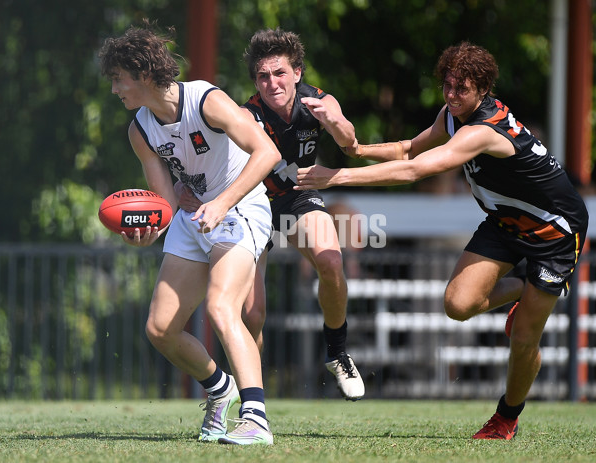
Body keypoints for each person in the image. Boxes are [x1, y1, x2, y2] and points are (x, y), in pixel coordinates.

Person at [295, 41, 588, 439]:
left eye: (461, 88)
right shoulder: (452, 115)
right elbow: (409, 149)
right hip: (505, 222)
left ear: (483, 89)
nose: (451, 95)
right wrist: (359, 150)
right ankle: (525, 288)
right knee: (457, 304)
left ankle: (506, 418)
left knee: (523, 341)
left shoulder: (483, 131)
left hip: (554, 231)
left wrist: (338, 176)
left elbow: (415, 171)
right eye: (447, 85)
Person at [99, 20, 282, 445]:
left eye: (118, 79)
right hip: (196, 217)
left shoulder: (206, 99)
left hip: (239, 205)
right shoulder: (140, 130)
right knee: (160, 329)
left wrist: (221, 203)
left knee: (221, 308)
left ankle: (255, 418)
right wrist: (146, 230)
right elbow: (163, 206)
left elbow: (267, 153)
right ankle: (221, 389)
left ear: (142, 73)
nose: (114, 89)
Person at [179, 27, 365, 401]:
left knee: (331, 261)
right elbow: (211, 156)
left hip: (297, 199)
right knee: (252, 312)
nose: (272, 82)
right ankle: (251, 397)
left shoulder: (319, 101)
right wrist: (190, 187)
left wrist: (335, 121)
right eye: (263, 76)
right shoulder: (247, 115)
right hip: (255, 204)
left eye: (279, 73)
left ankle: (337, 351)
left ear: (297, 72)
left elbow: (351, 144)